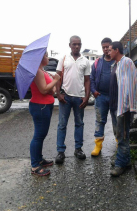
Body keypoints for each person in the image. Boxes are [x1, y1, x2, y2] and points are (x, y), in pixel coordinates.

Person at [55, 35, 91, 164]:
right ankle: (60, 152)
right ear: (69, 45)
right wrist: (58, 94)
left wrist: (87, 97)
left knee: (79, 123)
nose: (77, 46)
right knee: (62, 124)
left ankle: (78, 149)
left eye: (79, 44)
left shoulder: (85, 61)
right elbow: (57, 77)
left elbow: (87, 80)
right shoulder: (64, 59)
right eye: (74, 44)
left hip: (79, 98)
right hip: (66, 97)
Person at [108, 41, 137, 177]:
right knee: (119, 134)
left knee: (122, 135)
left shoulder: (126, 62)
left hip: (123, 107)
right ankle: (125, 161)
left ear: (116, 50)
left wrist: (126, 107)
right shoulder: (116, 65)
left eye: (110, 50)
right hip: (115, 105)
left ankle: (120, 164)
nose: (108, 52)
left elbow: (128, 85)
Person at [29, 51, 60, 176]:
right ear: (40, 58)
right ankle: (35, 166)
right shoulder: (37, 71)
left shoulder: (43, 71)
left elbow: (51, 91)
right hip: (40, 106)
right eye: (46, 55)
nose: (48, 58)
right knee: (38, 136)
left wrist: (51, 85)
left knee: (41, 135)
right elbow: (43, 89)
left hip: (45, 105)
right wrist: (56, 80)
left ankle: (39, 159)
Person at [90, 37, 117, 156]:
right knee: (100, 121)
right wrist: (93, 91)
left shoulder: (118, 61)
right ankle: (98, 145)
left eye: (108, 47)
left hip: (115, 97)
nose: (106, 49)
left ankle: (119, 143)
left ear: (111, 47)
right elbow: (91, 78)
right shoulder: (97, 62)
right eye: (104, 47)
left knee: (117, 121)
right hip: (100, 96)